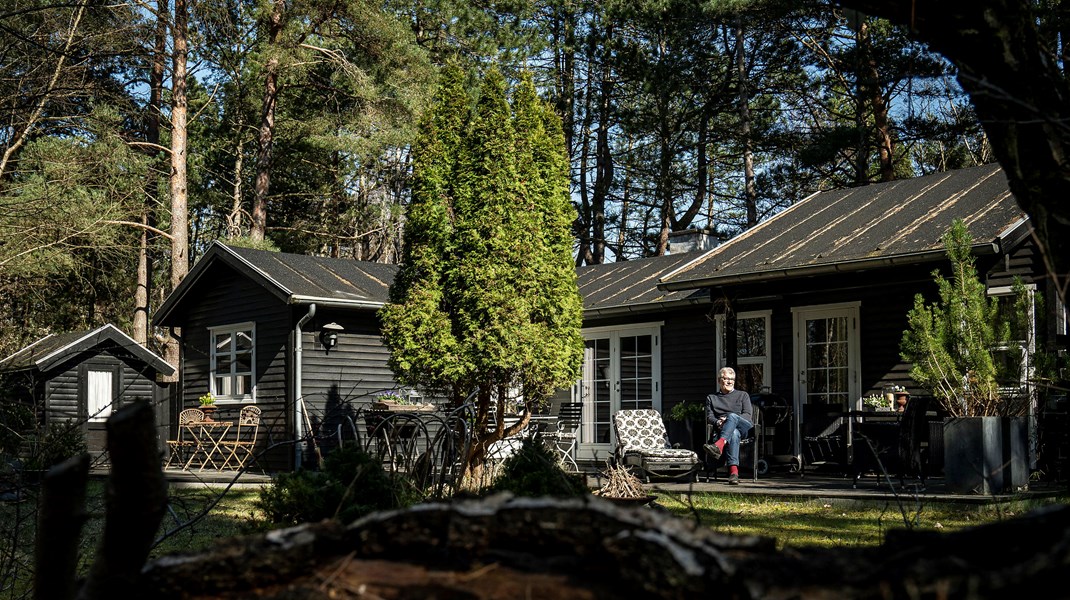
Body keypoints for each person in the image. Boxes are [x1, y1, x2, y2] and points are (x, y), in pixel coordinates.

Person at [704, 366, 753, 485]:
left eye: (732, 379)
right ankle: (734, 473)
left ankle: (719, 445)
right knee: (734, 434)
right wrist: (718, 422)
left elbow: (747, 415)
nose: (729, 381)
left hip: (744, 428)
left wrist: (730, 418)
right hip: (725, 430)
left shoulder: (743, 395)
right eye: (726, 378)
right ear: (719, 380)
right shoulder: (712, 398)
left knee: (732, 417)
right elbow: (709, 417)